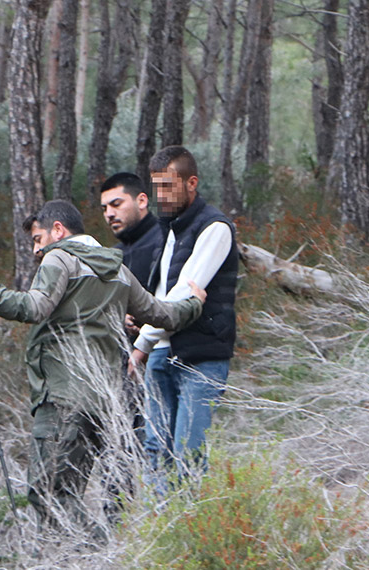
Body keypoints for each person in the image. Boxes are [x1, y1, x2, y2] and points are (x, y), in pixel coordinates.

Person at [0, 199, 205, 542]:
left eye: (38, 239)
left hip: (63, 399)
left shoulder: (60, 256)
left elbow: (34, 307)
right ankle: (109, 551)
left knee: (48, 494)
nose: (37, 251)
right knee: (94, 493)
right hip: (109, 402)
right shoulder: (118, 269)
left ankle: (82, 554)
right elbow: (163, 315)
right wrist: (195, 303)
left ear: (59, 230)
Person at [129, 145, 238, 487]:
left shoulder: (215, 228)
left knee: (186, 454)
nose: (161, 195)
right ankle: (157, 532)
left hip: (200, 357)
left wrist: (142, 340)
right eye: (157, 187)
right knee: (155, 450)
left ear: (192, 183)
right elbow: (161, 292)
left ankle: (188, 532)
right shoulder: (169, 229)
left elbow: (183, 295)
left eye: (169, 186)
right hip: (162, 353)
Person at [99, 172, 162, 291]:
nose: (109, 214)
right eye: (104, 209)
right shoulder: (114, 255)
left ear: (142, 201)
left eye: (116, 204)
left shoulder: (167, 241)